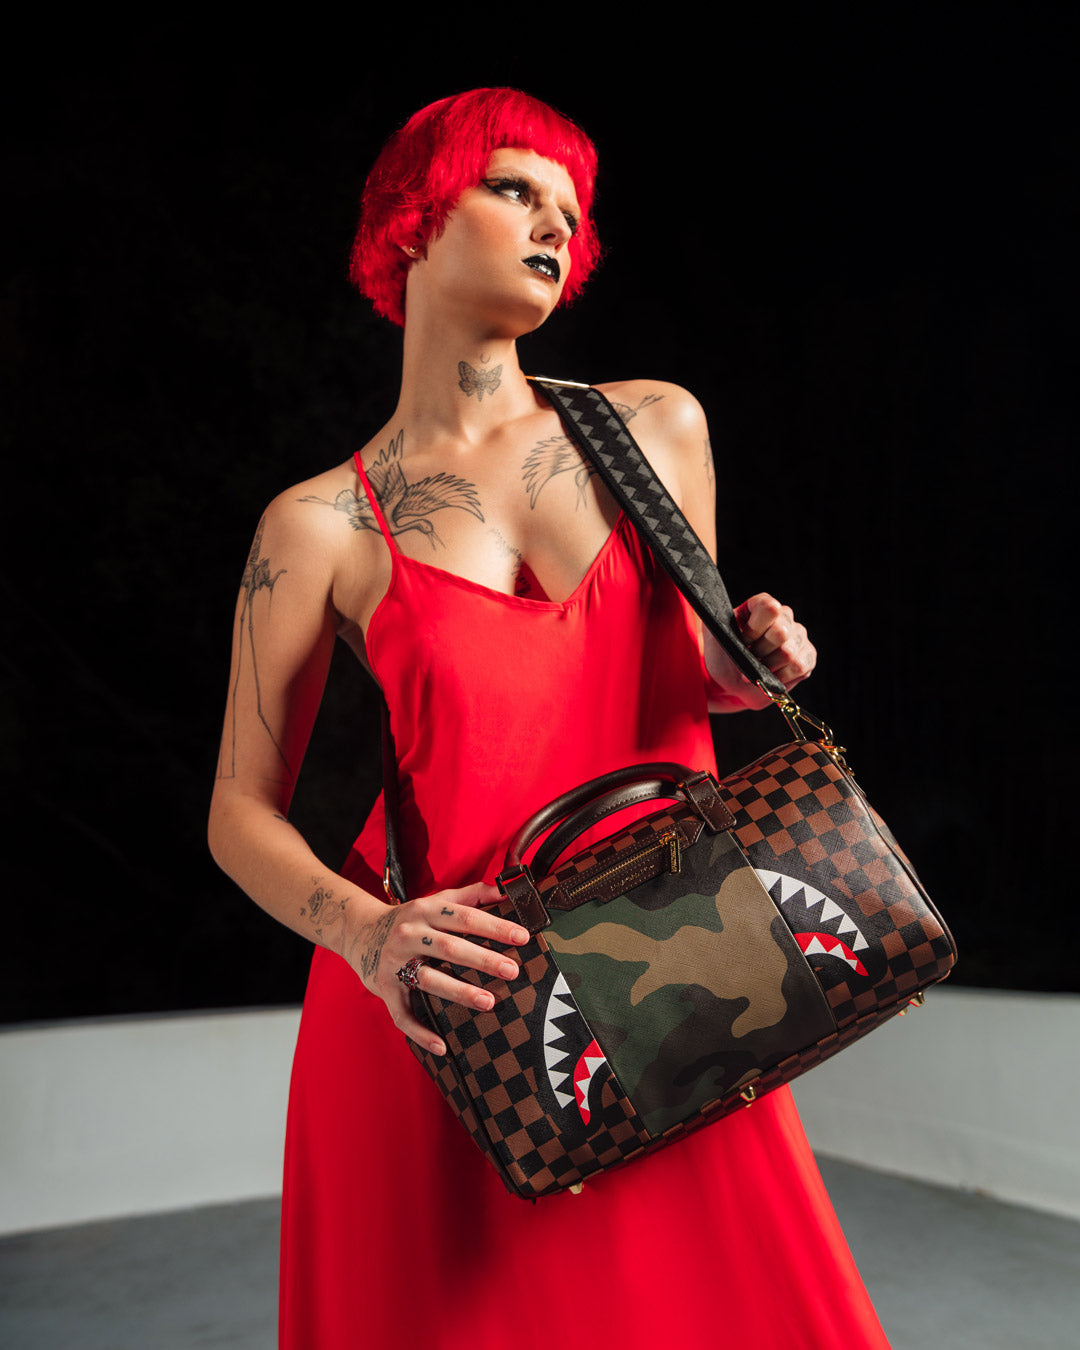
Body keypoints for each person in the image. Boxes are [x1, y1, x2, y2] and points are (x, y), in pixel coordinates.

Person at [209, 88, 891, 1349]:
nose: (555, 226)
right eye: (514, 189)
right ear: (413, 220)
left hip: (672, 971)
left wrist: (753, 662)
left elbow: (689, 677)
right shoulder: (319, 525)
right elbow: (238, 815)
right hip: (457, 1001)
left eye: (571, 211)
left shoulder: (650, 428)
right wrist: (369, 935)